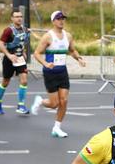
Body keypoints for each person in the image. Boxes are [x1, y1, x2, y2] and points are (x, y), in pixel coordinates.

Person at [31, 10, 86, 138]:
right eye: (58, 18)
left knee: (64, 100)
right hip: (50, 72)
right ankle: (40, 101)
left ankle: (57, 127)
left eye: (63, 18)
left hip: (62, 72)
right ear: (53, 21)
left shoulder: (68, 36)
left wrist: (79, 59)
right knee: (54, 103)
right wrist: (45, 63)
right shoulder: (48, 36)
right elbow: (37, 53)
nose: (61, 21)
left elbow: (72, 50)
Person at [0, 10, 30, 115]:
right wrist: (9, 55)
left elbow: (22, 42)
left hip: (20, 59)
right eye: (16, 16)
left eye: (21, 16)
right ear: (12, 18)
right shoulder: (8, 30)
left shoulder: (24, 29)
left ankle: (21, 105)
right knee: (6, 81)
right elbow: (1, 44)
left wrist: (23, 52)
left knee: (24, 80)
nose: (19, 18)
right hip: (9, 59)